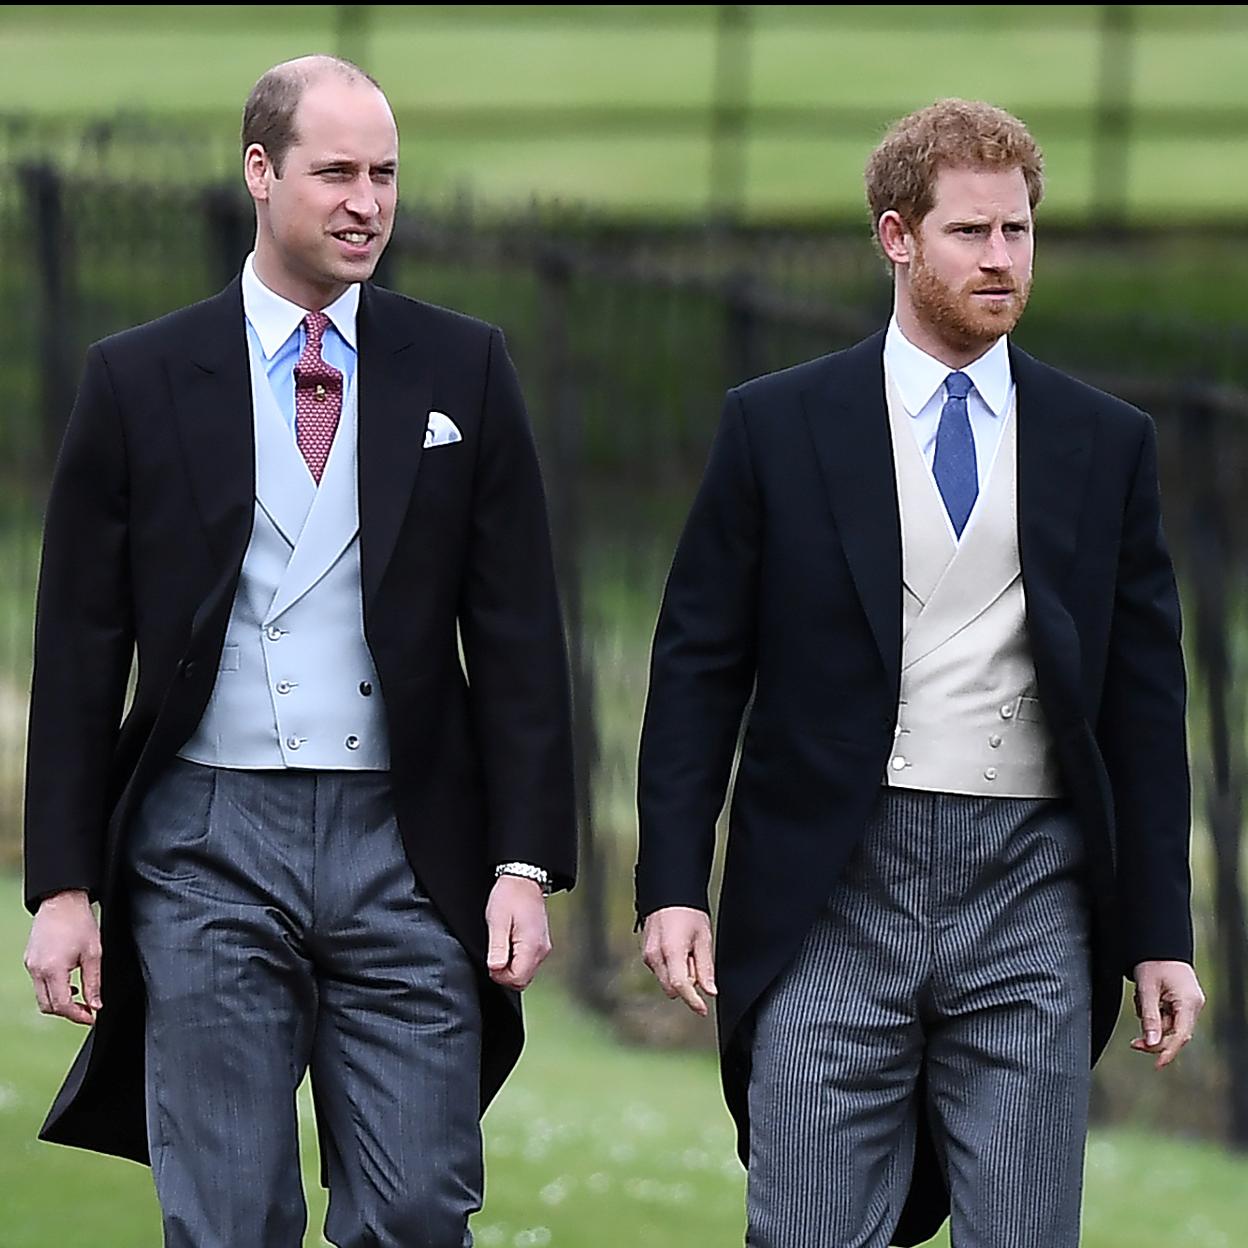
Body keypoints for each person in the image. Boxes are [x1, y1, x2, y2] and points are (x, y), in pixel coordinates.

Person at [21, 55, 575, 1248]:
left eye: (384, 174)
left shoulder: (462, 366)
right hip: (205, 847)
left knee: (423, 1209)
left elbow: (523, 633)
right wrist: (64, 887)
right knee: (226, 1216)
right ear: (260, 174)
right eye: (335, 172)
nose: (366, 201)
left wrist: (523, 862)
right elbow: (77, 645)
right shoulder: (139, 377)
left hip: (407, 842)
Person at [635, 98, 1206, 1247]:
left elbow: (1145, 706)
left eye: (1019, 233)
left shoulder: (1104, 443)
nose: (1001, 260)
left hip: (1030, 892)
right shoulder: (778, 425)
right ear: (898, 239)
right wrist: (672, 882)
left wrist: (1161, 930)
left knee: (1026, 1231)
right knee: (805, 1228)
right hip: (831, 889)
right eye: (970, 234)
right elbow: (699, 665)